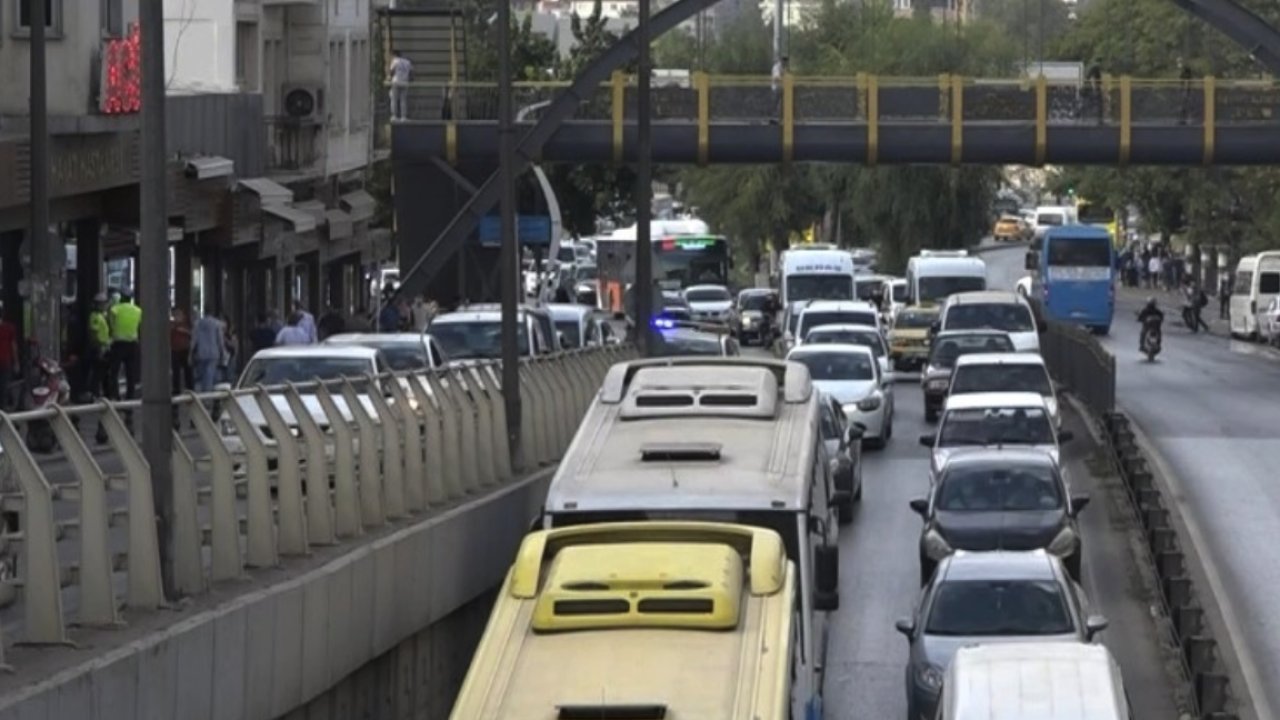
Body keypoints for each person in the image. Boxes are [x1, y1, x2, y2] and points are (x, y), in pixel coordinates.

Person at [108, 291, 142, 399]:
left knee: (114, 372)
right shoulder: (138, 310)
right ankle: (129, 397)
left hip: (118, 343)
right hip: (132, 344)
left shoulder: (115, 309)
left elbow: (111, 324)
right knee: (130, 373)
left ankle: (116, 396)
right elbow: (139, 324)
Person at [191, 311, 226, 393]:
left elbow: (194, 339)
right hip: (213, 353)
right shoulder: (217, 323)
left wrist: (191, 352)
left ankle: (204, 393)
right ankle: (208, 396)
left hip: (202, 353)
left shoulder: (198, 323)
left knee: (203, 376)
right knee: (210, 375)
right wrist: (223, 352)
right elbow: (220, 340)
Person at [86, 293, 111, 400]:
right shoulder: (95, 316)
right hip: (99, 347)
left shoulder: (101, 315)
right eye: (102, 304)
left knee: (103, 372)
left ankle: (104, 394)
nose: (104, 306)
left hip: (104, 347)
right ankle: (94, 394)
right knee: (98, 372)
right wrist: (98, 346)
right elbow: (94, 332)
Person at [170, 307, 194, 395]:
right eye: (174, 315)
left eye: (178, 314)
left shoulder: (186, 323)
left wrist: (184, 331)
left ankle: (190, 390)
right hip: (175, 350)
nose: (176, 317)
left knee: (188, 371)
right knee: (176, 372)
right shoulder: (171, 325)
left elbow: (192, 334)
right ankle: (176, 390)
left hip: (185, 349)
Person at [388, 49, 412, 122]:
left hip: (396, 81)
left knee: (394, 99)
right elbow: (411, 73)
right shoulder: (407, 62)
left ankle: (394, 116)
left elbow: (391, 71)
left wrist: (389, 77)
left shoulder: (395, 61)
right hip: (405, 81)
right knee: (403, 99)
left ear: (394, 55)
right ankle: (403, 117)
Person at [0, 306, 16, 412]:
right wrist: (17, 361)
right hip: (6, 360)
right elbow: (14, 345)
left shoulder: (9, 328)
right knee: (4, 385)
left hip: (5, 360)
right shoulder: (9, 328)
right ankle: (3, 407)